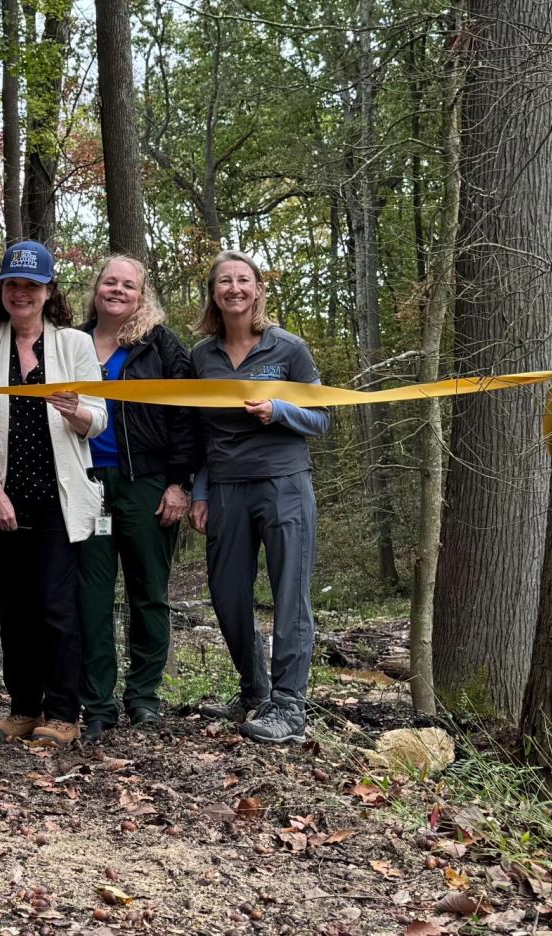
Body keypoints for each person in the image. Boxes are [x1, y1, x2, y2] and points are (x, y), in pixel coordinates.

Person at [0, 242, 106, 746]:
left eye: (32, 285)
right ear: (2, 290)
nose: (21, 293)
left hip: (59, 498)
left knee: (57, 606)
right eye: (13, 284)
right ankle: (24, 707)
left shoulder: (75, 346)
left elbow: (99, 417)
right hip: (5, 496)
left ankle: (64, 712)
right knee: (15, 607)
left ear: (48, 291)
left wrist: (76, 412)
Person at [188, 250, 328, 745]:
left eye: (242, 280)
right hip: (226, 487)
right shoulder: (201, 357)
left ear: (257, 289)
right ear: (214, 293)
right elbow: (200, 434)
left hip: (284, 484)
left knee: (290, 595)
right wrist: (200, 492)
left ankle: (289, 706)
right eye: (224, 281)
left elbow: (322, 418)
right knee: (227, 597)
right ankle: (254, 693)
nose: (233, 288)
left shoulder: (289, 348)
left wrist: (280, 411)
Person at [77, 255, 196, 744]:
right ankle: (98, 704)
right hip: (84, 484)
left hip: (146, 483)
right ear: (97, 288)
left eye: (129, 285)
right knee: (91, 599)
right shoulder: (72, 341)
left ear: (142, 294)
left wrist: (179, 484)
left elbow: (188, 418)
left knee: (149, 595)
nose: (118, 290)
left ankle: (143, 698)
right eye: (110, 282)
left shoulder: (162, 347)